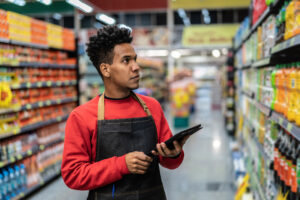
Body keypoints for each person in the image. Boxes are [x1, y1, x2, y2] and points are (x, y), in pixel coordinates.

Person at [61, 25, 190, 200]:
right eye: (126, 60)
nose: (136, 67)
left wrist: (174, 154)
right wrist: (121, 164)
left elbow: (171, 163)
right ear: (106, 69)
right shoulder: (82, 116)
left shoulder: (152, 107)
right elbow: (73, 175)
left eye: (135, 59)